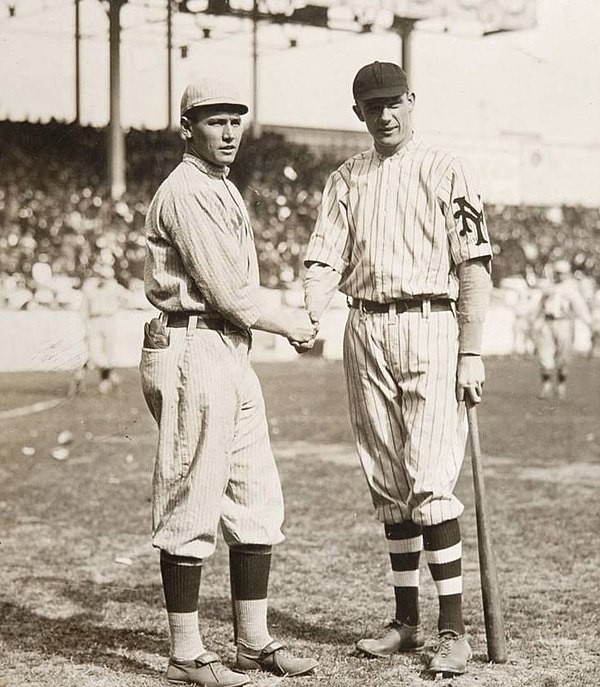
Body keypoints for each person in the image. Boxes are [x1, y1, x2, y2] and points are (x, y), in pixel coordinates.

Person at [303, 61, 493, 677]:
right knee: (388, 485)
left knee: (431, 480)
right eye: (371, 106)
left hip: (430, 324)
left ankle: (454, 631)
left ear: (412, 101)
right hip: (364, 327)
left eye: (393, 102)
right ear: (357, 113)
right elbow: (324, 259)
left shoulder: (446, 168)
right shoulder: (346, 179)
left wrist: (471, 349)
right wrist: (310, 313)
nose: (384, 114)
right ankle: (406, 622)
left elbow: (473, 266)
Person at [140, 77, 319, 687]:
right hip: (191, 341)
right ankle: (186, 652)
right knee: (193, 493)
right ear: (186, 127)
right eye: (214, 120)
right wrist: (290, 321)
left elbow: (235, 298)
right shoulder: (186, 190)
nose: (228, 131)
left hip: (226, 347)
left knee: (255, 496)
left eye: (235, 120)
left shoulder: (222, 187)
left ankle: (252, 641)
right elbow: (228, 290)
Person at [534, 259, 591, 399]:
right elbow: (540, 306)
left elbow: (581, 309)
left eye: (562, 273)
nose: (559, 276)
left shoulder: (571, 290)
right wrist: (535, 321)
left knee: (563, 356)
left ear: (567, 274)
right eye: (557, 272)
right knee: (545, 355)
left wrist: (589, 323)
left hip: (564, 323)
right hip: (548, 322)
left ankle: (561, 385)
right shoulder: (549, 288)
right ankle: (546, 386)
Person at [77, 262, 129, 393]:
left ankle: (104, 381)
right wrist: (85, 324)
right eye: (102, 276)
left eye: (107, 277)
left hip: (109, 319)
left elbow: (127, 298)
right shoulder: (90, 286)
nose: (104, 279)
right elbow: (84, 307)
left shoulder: (114, 287)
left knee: (109, 352)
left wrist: (117, 307)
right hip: (94, 320)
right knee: (95, 354)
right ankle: (111, 376)